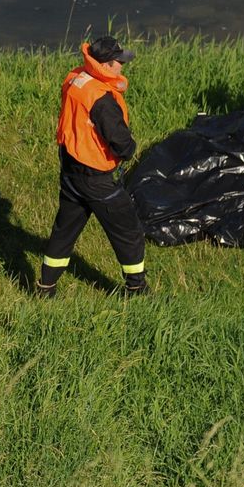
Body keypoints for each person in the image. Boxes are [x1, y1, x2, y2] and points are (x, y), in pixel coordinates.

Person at [37, 36, 147, 298]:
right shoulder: (103, 99)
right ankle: (137, 289)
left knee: (64, 230)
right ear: (107, 64)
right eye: (120, 61)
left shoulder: (76, 77)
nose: (123, 65)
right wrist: (130, 149)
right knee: (129, 232)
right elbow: (121, 143)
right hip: (98, 178)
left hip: (71, 170)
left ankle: (45, 287)